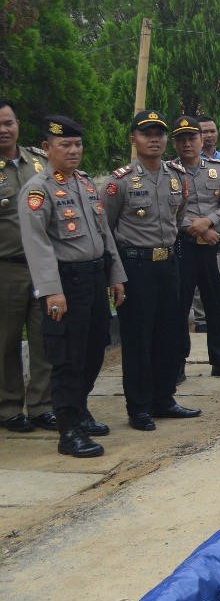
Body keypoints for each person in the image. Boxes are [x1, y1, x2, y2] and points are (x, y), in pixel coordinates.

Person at [19, 116, 125, 457]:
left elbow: (104, 233)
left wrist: (116, 275)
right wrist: (51, 290)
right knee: (67, 358)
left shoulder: (84, 183)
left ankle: (79, 410)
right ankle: (69, 431)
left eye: (77, 144)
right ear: (47, 148)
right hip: (65, 284)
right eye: (65, 144)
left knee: (95, 349)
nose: (73, 150)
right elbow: (37, 245)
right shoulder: (38, 190)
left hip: (95, 278)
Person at [104, 110, 201, 431]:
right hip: (136, 266)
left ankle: (164, 398)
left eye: (159, 134)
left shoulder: (176, 177)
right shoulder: (118, 182)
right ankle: (139, 406)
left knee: (169, 334)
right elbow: (108, 229)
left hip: (168, 263)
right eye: (147, 134)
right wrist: (115, 274)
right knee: (138, 339)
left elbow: (177, 219)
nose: (155, 139)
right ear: (134, 139)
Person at [169, 115, 220, 379]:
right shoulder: (168, 171)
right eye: (181, 139)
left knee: (215, 305)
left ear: (202, 140)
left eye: (192, 138)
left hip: (213, 247)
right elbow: (166, 209)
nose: (188, 144)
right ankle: (176, 364)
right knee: (179, 307)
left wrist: (209, 222)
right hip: (182, 246)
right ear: (174, 143)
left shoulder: (219, 168)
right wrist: (193, 226)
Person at [0, 99, 55, 432]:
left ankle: (41, 405)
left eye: (8, 122)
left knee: (44, 337)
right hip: (7, 269)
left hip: (44, 267)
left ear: (18, 124)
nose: (3, 130)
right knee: (5, 341)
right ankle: (8, 408)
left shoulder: (40, 162)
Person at [192, 114, 220, 332]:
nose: (208, 135)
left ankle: (217, 316)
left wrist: (212, 223)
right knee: (197, 283)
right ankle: (201, 319)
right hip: (192, 231)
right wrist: (202, 227)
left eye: (212, 131)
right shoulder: (180, 165)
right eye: (203, 132)